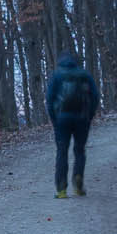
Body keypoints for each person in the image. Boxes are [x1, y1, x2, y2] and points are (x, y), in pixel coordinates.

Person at [45, 52, 99, 198]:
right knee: (80, 150)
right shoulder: (85, 75)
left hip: (62, 119)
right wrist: (89, 116)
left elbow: (49, 100)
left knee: (62, 152)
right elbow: (95, 97)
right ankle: (78, 181)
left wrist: (54, 120)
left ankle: (61, 190)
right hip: (82, 119)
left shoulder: (57, 75)